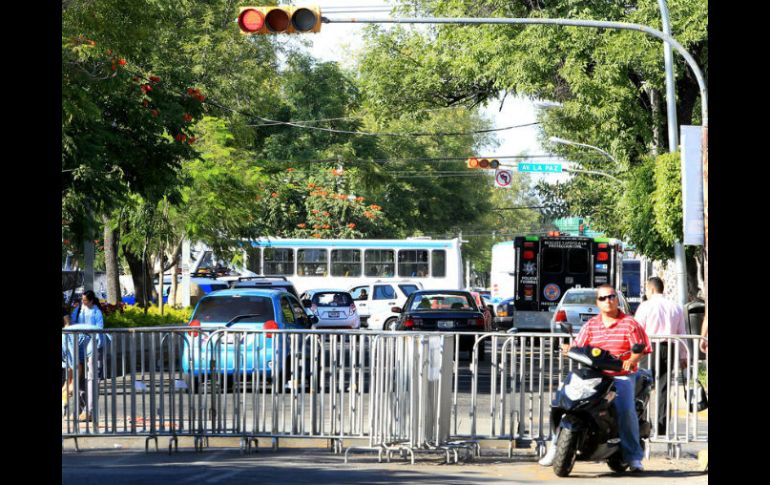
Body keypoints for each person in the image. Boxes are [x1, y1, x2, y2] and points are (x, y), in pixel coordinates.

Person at [539, 284, 652, 473]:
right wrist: (569, 349)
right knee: (563, 402)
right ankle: (554, 448)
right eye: (603, 298)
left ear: (617, 299)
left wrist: (632, 359)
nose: (608, 301)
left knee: (626, 410)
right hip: (593, 374)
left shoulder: (629, 323)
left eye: (611, 297)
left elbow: (642, 347)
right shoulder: (591, 324)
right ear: (597, 303)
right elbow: (578, 345)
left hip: (620, 376)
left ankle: (633, 457)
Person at [634, 277, 687, 436]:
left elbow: (637, 330)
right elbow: (682, 333)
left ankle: (641, 425)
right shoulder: (675, 307)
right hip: (669, 348)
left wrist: (633, 352)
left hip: (648, 348)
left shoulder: (645, 306)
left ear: (651, 289)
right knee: (663, 388)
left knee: (643, 388)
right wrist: (684, 356)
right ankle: (662, 428)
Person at [63, 290, 107, 421]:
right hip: (80, 346)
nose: (83, 302)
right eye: (82, 300)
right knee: (81, 380)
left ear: (91, 301)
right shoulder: (78, 310)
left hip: (93, 345)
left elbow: (99, 328)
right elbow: (72, 324)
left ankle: (90, 410)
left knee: (92, 378)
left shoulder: (97, 312)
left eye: (85, 300)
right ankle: (80, 410)